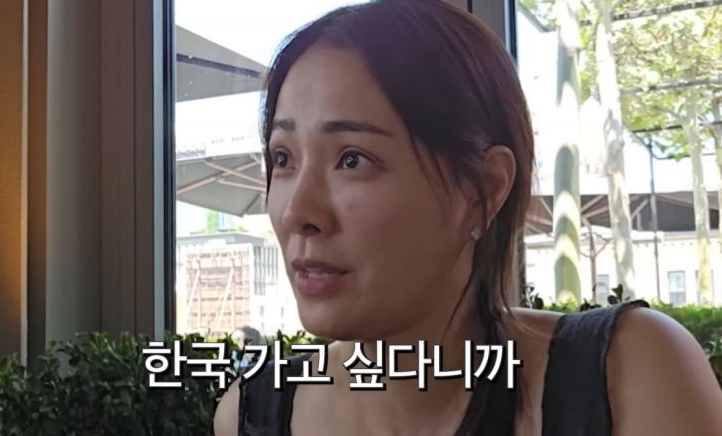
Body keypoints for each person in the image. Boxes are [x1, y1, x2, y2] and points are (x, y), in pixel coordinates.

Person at [214, 1, 722, 435]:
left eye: (352, 159)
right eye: (283, 158)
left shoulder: (626, 376)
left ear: (484, 189)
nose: (297, 212)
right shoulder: (251, 414)